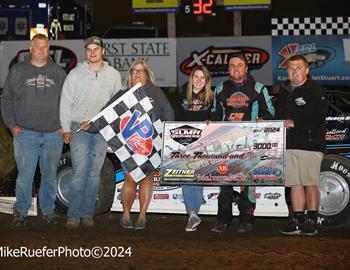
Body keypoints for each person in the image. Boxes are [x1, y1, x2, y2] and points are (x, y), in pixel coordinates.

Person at [1, 33, 66, 226]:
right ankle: (21, 211)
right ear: (30, 48)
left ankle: (48, 210)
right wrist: (11, 125)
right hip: (25, 134)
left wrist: (65, 125)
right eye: (37, 46)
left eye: (45, 46)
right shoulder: (18, 71)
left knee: (49, 175)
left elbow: (68, 101)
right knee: (25, 176)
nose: (41, 50)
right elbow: (6, 100)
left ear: (48, 49)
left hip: (53, 134)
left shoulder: (58, 72)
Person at [59, 36, 122, 229]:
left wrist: (112, 128)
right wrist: (65, 127)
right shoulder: (76, 74)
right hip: (78, 127)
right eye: (89, 49)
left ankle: (87, 214)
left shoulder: (113, 75)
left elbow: (117, 103)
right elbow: (65, 101)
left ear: (103, 51)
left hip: (101, 130)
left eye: (96, 49)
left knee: (94, 174)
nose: (93, 52)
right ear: (85, 52)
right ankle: (73, 215)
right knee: (79, 172)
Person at [210, 53, 275, 233]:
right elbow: (215, 113)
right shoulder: (221, 88)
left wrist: (264, 119)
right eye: (232, 65)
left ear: (246, 68)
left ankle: (247, 219)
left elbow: (270, 111)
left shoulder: (258, 88)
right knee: (224, 182)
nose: (235, 68)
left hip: (250, 142)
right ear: (228, 68)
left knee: (247, 182)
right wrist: (209, 122)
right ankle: (223, 219)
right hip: (226, 144)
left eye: (239, 65)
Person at [276, 55, 328, 236]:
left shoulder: (315, 90)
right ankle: (298, 219)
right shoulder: (284, 90)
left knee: (310, 183)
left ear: (307, 70)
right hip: (289, 144)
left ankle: (312, 220)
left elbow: (318, 118)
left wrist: (294, 123)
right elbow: (279, 116)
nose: (294, 72)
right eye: (290, 69)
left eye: (298, 68)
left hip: (310, 144)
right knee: (295, 184)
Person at [119, 60, 174, 230]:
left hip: (151, 143)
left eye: (141, 71)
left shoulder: (156, 92)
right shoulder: (123, 93)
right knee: (130, 178)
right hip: (129, 143)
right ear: (130, 75)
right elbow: (112, 117)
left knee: (147, 178)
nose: (137, 74)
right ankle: (126, 214)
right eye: (134, 71)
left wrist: (158, 127)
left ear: (147, 74)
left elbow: (169, 115)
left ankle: (142, 215)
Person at [175, 65, 213, 232]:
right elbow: (176, 119)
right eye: (196, 77)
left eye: (202, 77)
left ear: (206, 81)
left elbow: (217, 116)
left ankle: (193, 212)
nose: (199, 80)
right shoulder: (183, 95)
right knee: (186, 177)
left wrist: (210, 121)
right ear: (191, 79)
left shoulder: (212, 97)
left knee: (197, 176)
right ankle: (192, 214)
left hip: (205, 144)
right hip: (184, 142)